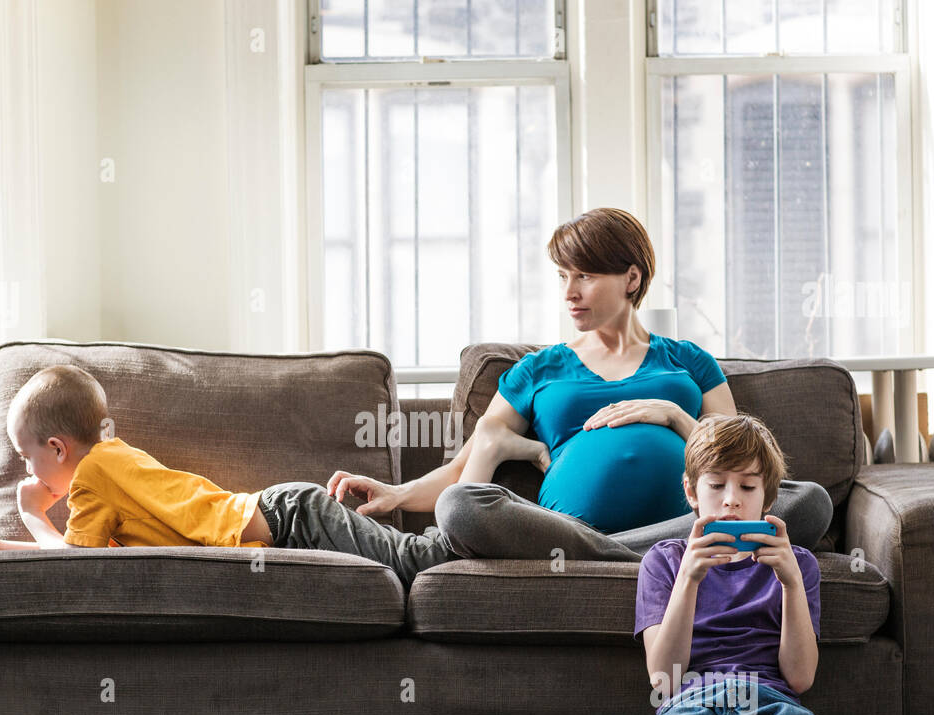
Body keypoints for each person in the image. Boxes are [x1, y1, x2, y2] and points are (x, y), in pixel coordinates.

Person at [325, 207, 834, 562]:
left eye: (585, 276)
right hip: (567, 533)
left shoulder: (688, 361)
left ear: (631, 279)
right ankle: (658, 560)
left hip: (685, 521)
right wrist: (395, 494)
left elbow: (738, 459)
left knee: (807, 501)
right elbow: (462, 473)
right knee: (460, 507)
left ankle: (634, 556)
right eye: (563, 277)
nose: (570, 292)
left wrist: (675, 416)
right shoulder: (539, 370)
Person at [632, 412, 929, 715]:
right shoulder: (664, 561)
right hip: (689, 695)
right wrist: (690, 580)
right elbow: (663, 678)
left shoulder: (798, 564)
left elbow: (801, 677)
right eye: (716, 485)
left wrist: (790, 582)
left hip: (769, 697)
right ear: (691, 491)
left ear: (767, 497)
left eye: (747, 487)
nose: (731, 500)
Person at [0, 365, 458, 589]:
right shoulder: (105, 468)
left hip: (292, 515)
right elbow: (80, 559)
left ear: (58, 448)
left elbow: (72, 569)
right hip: (285, 520)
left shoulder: (95, 473)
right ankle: (476, 527)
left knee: (419, 560)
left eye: (27, 457)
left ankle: (485, 517)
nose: (26, 471)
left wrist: (33, 515)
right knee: (412, 559)